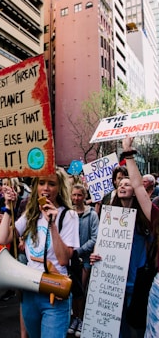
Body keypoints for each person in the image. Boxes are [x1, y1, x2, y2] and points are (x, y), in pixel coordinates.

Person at [0, 167, 80, 338]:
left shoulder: (69, 216)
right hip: (30, 289)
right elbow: (3, 239)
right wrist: (8, 208)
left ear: (60, 188)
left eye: (52, 184)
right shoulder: (31, 214)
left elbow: (64, 260)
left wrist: (52, 225)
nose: (46, 188)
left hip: (54, 292)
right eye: (41, 183)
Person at [90, 136, 157, 338]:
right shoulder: (109, 217)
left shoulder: (146, 221)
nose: (122, 186)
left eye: (127, 184)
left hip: (137, 284)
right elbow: (102, 245)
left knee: (135, 329)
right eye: (120, 183)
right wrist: (96, 256)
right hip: (113, 281)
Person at [68, 183, 99, 337]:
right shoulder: (68, 213)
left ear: (84, 196)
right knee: (73, 290)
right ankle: (75, 318)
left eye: (79, 195)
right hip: (70, 260)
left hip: (84, 259)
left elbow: (95, 238)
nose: (76, 198)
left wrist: (78, 251)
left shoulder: (92, 215)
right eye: (74, 195)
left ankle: (81, 319)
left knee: (81, 290)